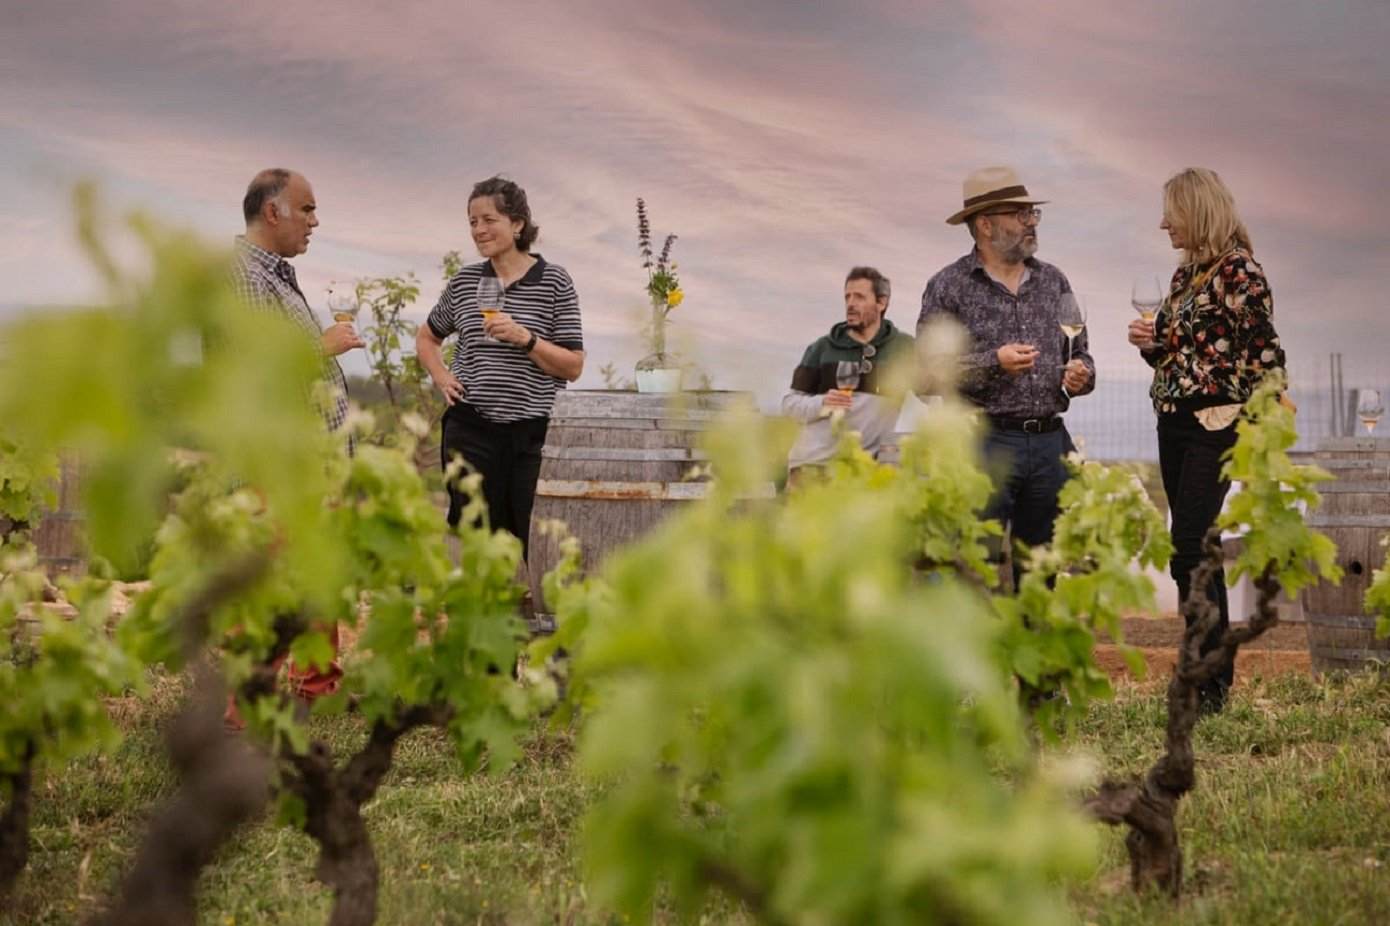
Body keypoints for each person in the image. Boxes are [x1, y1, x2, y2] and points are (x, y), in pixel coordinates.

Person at [1128, 167, 1286, 715]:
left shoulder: (1240, 272)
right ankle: (1208, 677)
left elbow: (1264, 354)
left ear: (1198, 210)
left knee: (1192, 543)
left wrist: (1268, 426)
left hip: (1217, 423)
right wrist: (1151, 343)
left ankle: (1205, 682)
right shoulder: (1185, 278)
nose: (1163, 223)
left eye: (1172, 211)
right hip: (1172, 418)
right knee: (1192, 552)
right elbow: (1180, 352)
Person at [227, 167, 362, 714]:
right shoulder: (243, 275)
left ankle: (318, 688)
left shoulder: (274, 274)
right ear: (272, 211)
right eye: (306, 209)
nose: (315, 220)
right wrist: (322, 347)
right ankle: (247, 705)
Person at [918, 166, 1094, 582]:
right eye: (1020, 214)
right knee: (974, 573)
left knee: (1042, 576)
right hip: (982, 445)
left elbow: (1081, 353)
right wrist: (992, 362)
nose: (1031, 222)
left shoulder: (1055, 281)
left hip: (1051, 445)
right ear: (985, 224)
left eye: (1032, 213)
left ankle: (1035, 647)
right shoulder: (949, 286)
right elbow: (924, 377)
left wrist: (1082, 374)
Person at [415, 176, 584, 566]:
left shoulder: (555, 281)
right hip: (471, 427)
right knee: (474, 537)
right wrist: (441, 376)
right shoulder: (465, 283)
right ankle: (478, 615)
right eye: (472, 222)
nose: (478, 230)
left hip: (532, 433)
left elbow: (574, 366)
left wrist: (526, 338)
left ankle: (539, 619)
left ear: (518, 224)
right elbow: (427, 337)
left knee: (536, 536)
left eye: (488, 219)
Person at [782, 267, 915, 482]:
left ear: (881, 303)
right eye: (847, 297)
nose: (850, 304)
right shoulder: (822, 348)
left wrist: (893, 456)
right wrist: (822, 403)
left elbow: (928, 400)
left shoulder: (905, 348)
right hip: (813, 468)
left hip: (866, 471)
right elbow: (789, 405)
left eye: (859, 297)